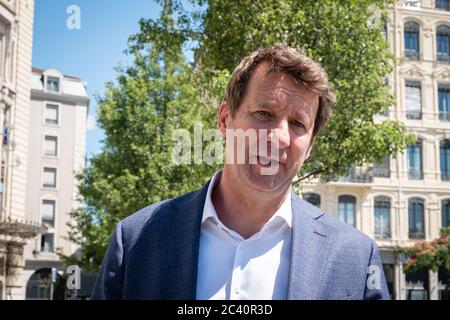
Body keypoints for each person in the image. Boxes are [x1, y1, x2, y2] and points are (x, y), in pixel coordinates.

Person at [91, 44, 389, 300]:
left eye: (298, 124)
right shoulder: (135, 241)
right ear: (224, 120)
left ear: (309, 146)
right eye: (264, 114)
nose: (280, 137)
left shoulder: (355, 258)